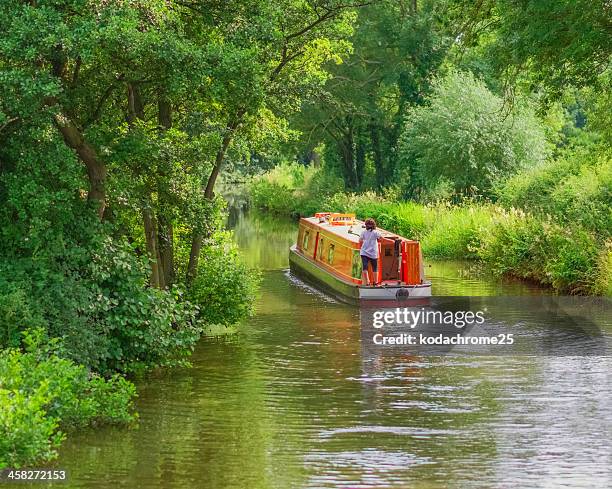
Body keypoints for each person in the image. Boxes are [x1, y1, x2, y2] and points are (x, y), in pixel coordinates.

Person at [359, 218, 381, 286]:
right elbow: (381, 238)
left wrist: (362, 247)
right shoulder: (376, 232)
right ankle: (376, 283)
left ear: (366, 225)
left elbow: (360, 241)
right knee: (375, 267)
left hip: (364, 252)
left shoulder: (363, 232)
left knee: (365, 267)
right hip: (373, 252)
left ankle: (367, 282)